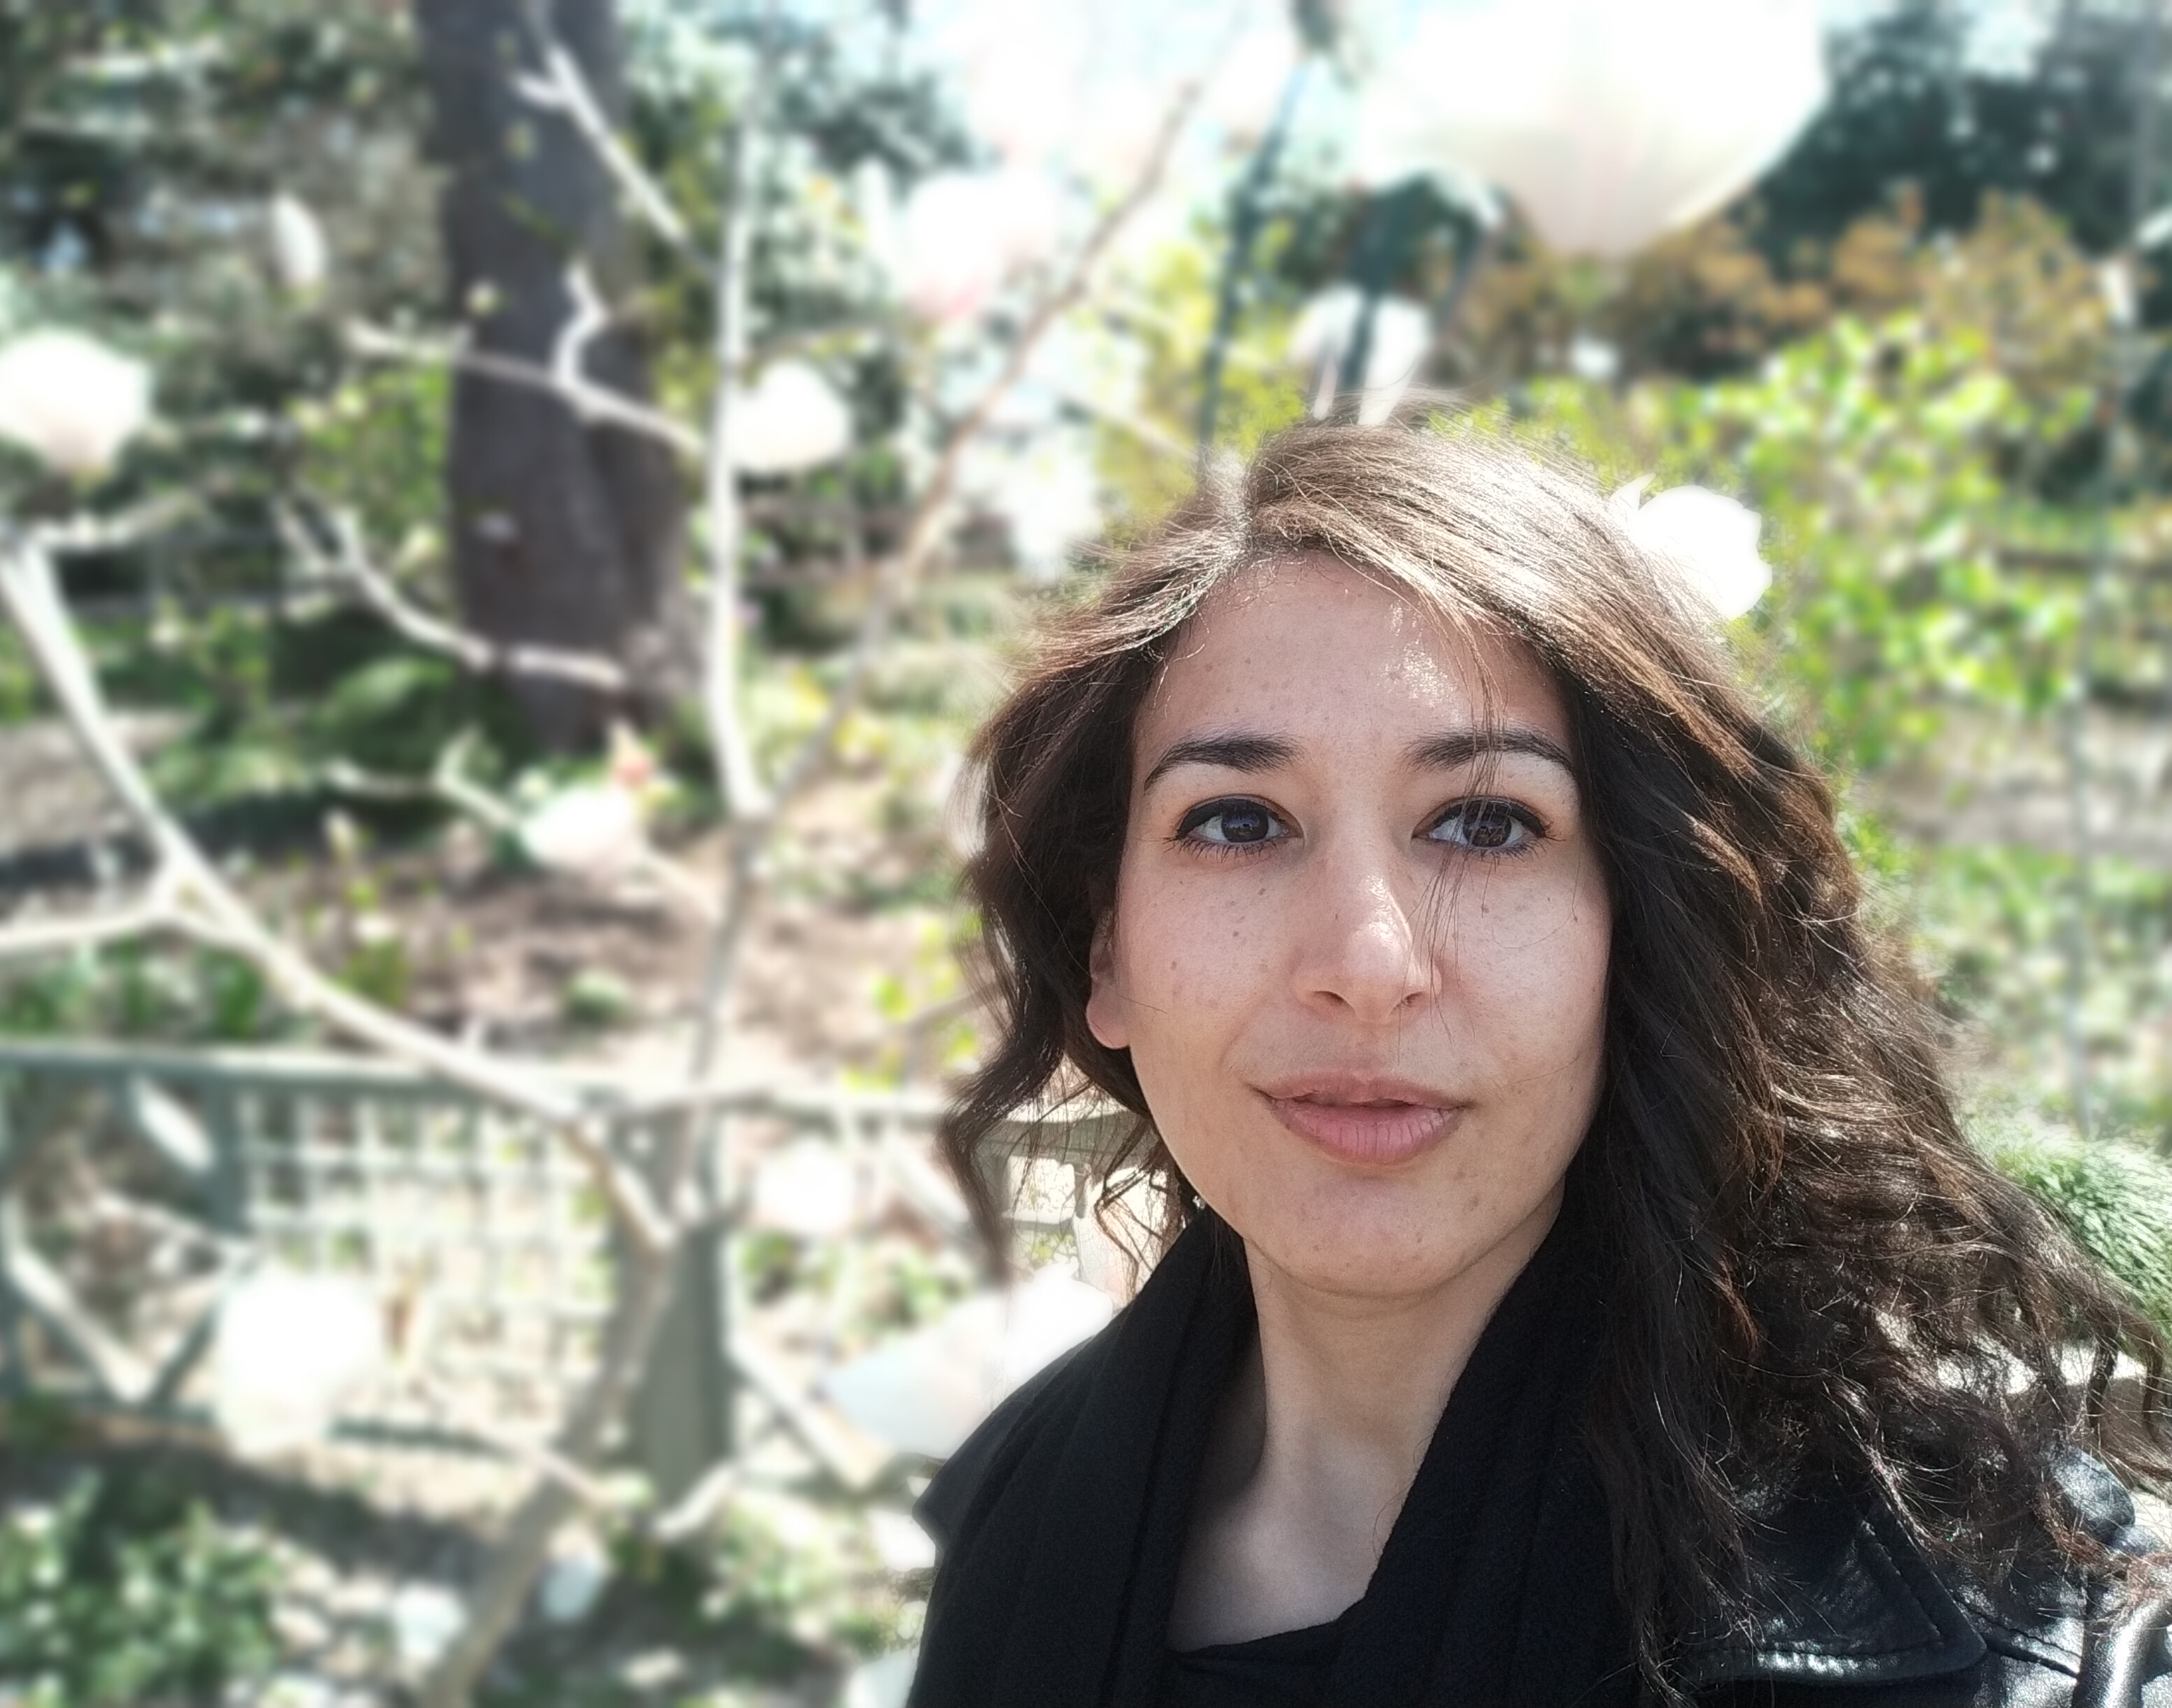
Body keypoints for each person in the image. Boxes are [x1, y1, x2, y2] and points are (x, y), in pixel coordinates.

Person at [908, 421, 2172, 1707]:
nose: (1368, 962)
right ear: (1106, 948)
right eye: (1237, 821)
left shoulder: (2028, 1634)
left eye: (1486, 823)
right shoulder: (1012, 1513)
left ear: (1643, 930)